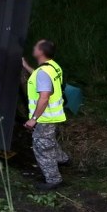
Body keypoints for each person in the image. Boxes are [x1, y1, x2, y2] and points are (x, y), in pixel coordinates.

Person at [21, 39, 69, 190]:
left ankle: (54, 180)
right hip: (53, 115)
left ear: (40, 52)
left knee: (41, 145)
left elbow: (44, 97)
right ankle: (63, 159)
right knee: (48, 139)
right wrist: (26, 66)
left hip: (45, 116)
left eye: (36, 46)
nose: (33, 47)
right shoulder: (53, 66)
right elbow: (41, 78)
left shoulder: (43, 73)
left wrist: (33, 119)